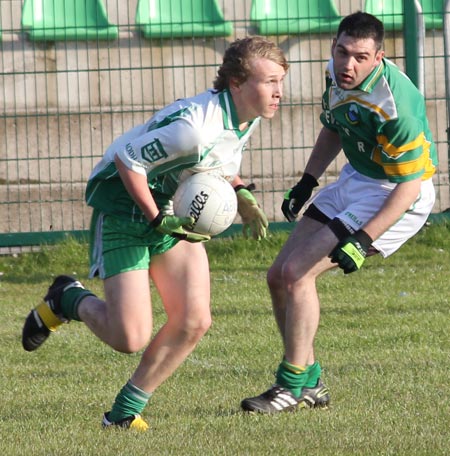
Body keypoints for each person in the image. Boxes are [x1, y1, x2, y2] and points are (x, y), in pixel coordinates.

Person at [21, 36, 289, 430]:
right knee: (128, 337)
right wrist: (155, 218)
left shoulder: (243, 117)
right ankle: (67, 298)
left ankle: (123, 414)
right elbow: (128, 161)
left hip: (170, 209)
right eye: (269, 82)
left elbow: (216, 163)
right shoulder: (195, 129)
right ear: (236, 82)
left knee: (193, 320)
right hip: (125, 209)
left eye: (281, 80)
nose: (279, 91)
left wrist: (241, 192)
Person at [241, 11, 437, 414]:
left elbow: (409, 187)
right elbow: (335, 126)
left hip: (397, 193)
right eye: (342, 51)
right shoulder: (335, 72)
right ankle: (311, 383)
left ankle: (290, 386)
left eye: (361, 57)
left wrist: (363, 240)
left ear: (379, 57)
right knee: (278, 276)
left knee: (299, 274)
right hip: (357, 178)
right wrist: (308, 181)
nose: (349, 64)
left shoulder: (396, 105)